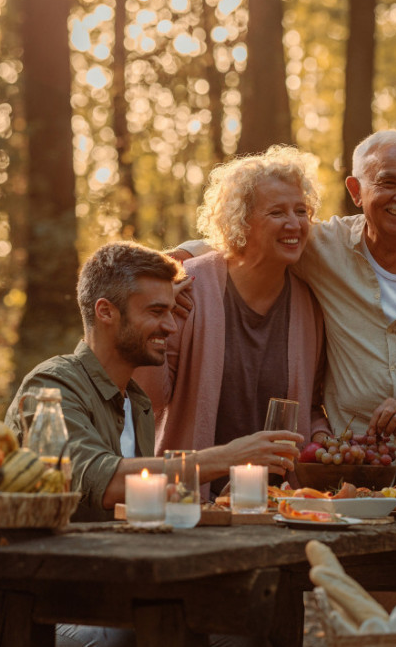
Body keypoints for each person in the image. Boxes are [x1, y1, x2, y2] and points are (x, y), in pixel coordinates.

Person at [0, 242, 295, 647]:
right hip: (19, 610)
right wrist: (224, 459)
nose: (171, 325)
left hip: (95, 601)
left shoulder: (134, 401)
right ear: (105, 312)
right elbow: (102, 480)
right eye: (156, 312)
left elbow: (136, 503)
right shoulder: (51, 387)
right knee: (108, 641)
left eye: (173, 310)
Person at [174, 130, 396, 445]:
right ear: (356, 190)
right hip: (353, 461)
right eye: (388, 182)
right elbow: (250, 240)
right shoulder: (324, 248)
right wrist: (168, 265)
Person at [136, 146, 330, 495]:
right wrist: (151, 316)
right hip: (191, 501)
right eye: (277, 212)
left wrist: (321, 437)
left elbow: (313, 404)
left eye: (301, 211)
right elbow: (149, 399)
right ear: (242, 221)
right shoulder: (187, 289)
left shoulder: (308, 304)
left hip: (279, 507)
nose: (294, 223)